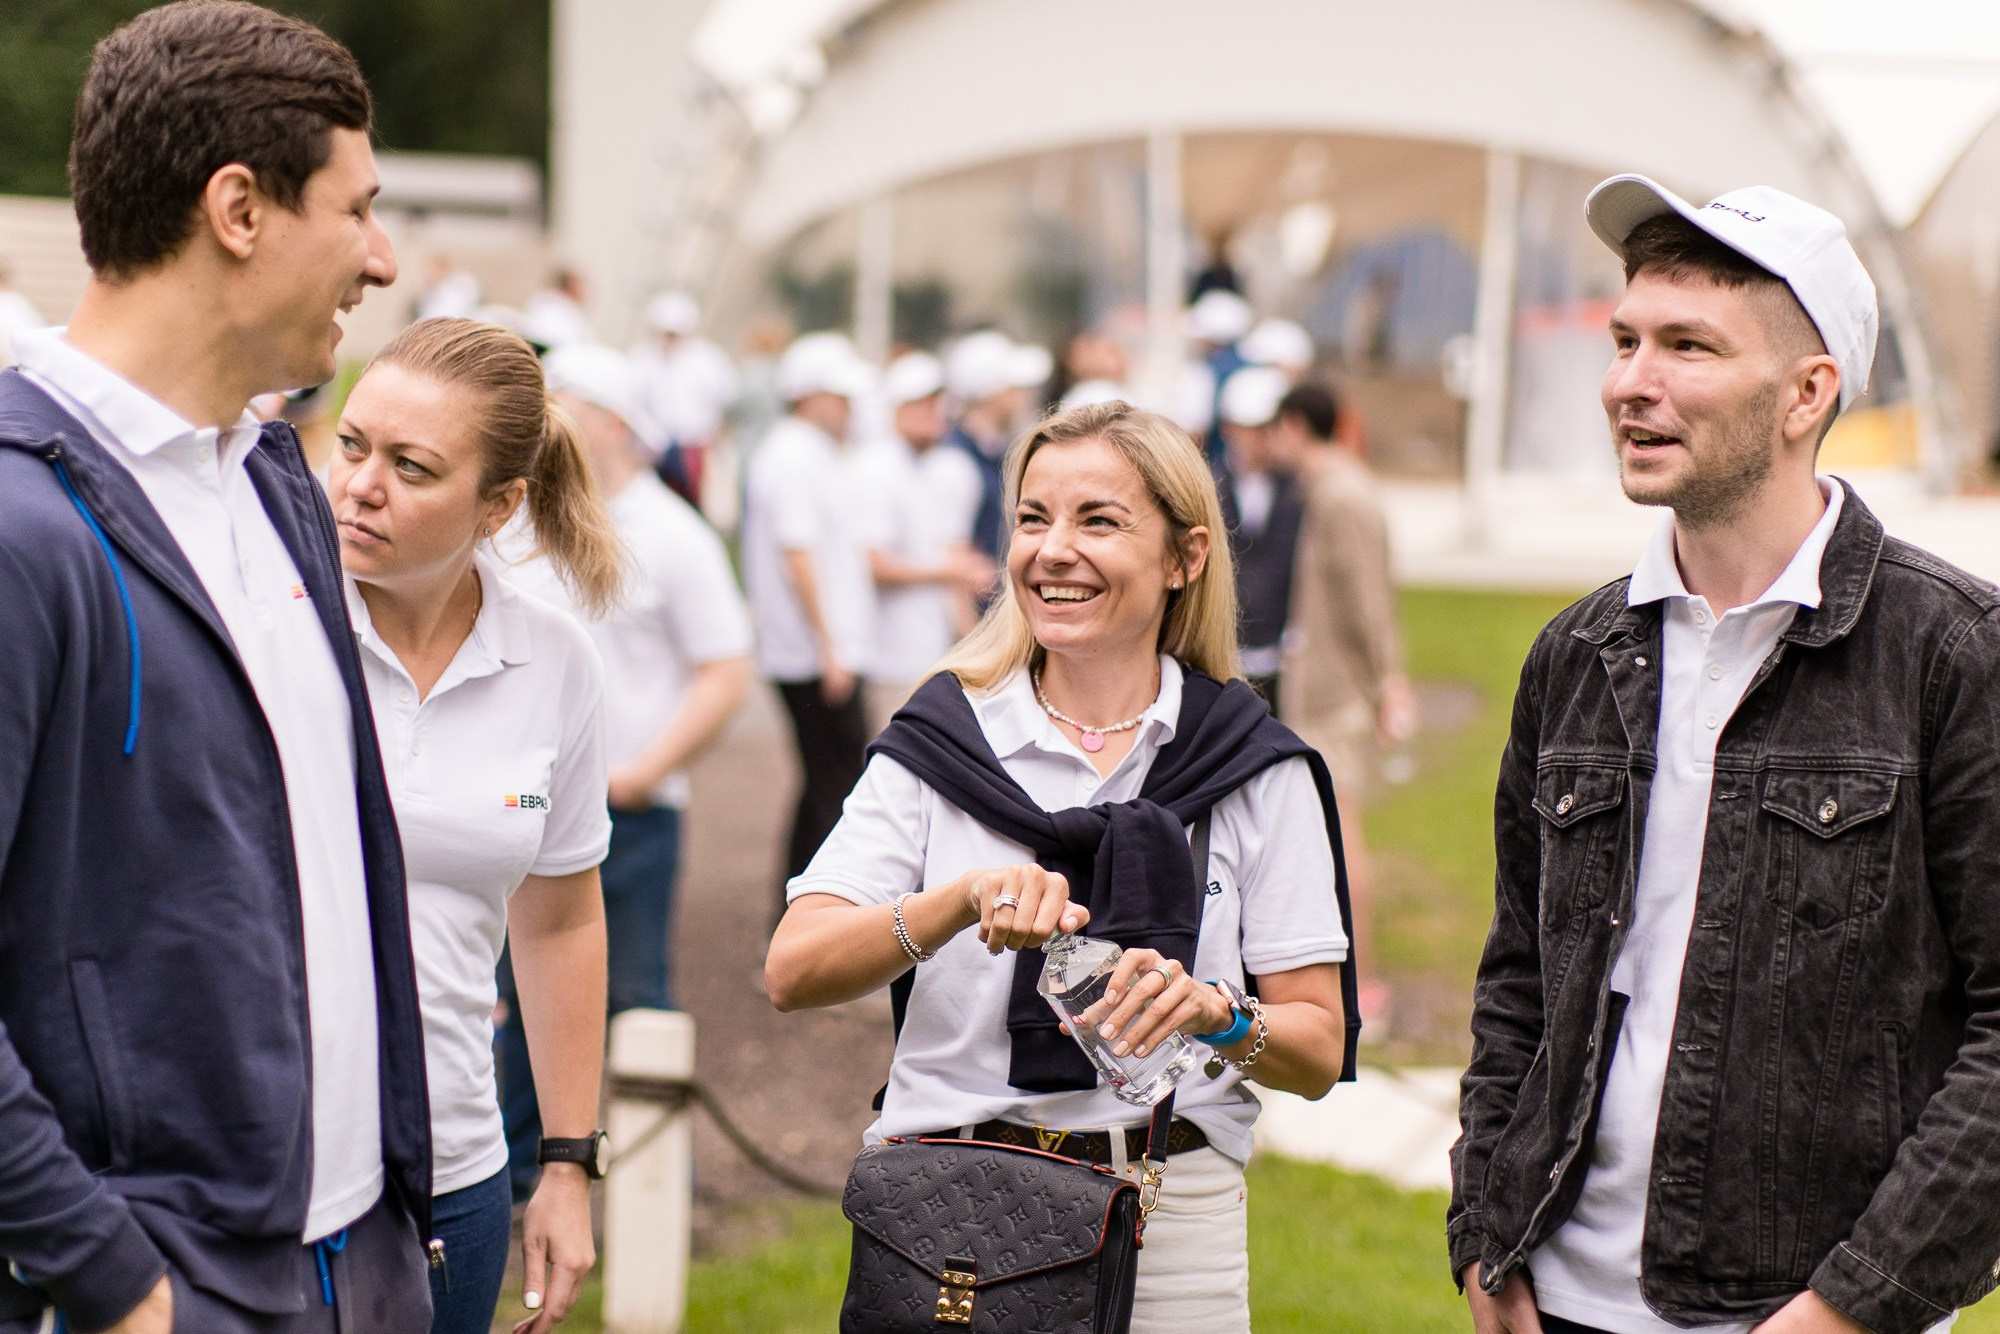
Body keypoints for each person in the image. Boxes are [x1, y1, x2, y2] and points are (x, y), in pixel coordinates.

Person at [1453, 177, 1996, 1334]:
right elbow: (1517, 983)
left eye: (1687, 345)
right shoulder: (1575, 653)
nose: (1628, 382)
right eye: (1625, 339)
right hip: (1556, 1296)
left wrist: (1852, 1304)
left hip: (1799, 1310)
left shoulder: (1950, 652)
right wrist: (1481, 1228)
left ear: (1805, 392)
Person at [0, 4, 431, 1330]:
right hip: (163, 1280)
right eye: (357, 209)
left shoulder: (278, 483)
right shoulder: (23, 525)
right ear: (238, 208)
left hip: (360, 1259)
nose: (383, 259)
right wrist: (113, 1276)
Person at [767, 400, 1358, 1334]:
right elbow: (793, 971)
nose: (1052, 550)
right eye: (1033, 518)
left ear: (1184, 557)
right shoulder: (942, 740)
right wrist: (955, 903)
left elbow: (1318, 1051)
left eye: (1099, 520)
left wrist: (1214, 1012)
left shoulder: (1253, 764)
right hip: (948, 1221)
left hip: (1172, 1223)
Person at [330, 319, 617, 1334]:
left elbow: (561, 918)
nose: (362, 484)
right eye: (352, 443)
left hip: (452, 1174)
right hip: (260, 1171)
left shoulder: (552, 658)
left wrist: (569, 1161)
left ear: (499, 506)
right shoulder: (270, 622)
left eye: (411, 466)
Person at [496, 342, 752, 1198]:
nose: (546, 421)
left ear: (614, 423)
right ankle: (513, 1195)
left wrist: (646, 772)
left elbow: (725, 669)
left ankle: (650, 1203)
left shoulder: (673, 535)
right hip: (521, 809)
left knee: (635, 1000)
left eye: (562, 402)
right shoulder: (519, 519)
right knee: (514, 1008)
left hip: (632, 816)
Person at [1271, 380, 1413, 1026]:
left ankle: (1365, 990)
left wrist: (1390, 687)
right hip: (1320, 694)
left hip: (1338, 702)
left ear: (1296, 428)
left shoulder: (1344, 497)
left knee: (1340, 839)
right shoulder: (1324, 492)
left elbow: (1369, 605)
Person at [743, 331, 878, 901]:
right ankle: (815, 916)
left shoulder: (803, 453)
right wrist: (830, 649)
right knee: (837, 788)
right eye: (839, 396)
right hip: (814, 655)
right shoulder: (794, 457)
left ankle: (797, 909)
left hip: (819, 651)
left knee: (825, 784)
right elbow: (798, 557)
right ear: (810, 395)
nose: (848, 407)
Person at [854, 350, 993, 729]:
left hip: (934, 653)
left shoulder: (940, 467)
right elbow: (874, 563)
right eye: (920, 404)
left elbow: (952, 559)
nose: (933, 413)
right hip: (889, 657)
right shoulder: (876, 468)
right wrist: (953, 570)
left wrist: (973, 643)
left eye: (936, 403)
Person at [1215, 365, 1305, 707]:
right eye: (1249, 428)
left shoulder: (1298, 489)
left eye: (1268, 428)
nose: (1259, 439)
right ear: (1228, 428)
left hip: (1281, 654)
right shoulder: (1210, 486)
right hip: (1226, 655)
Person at [945, 329, 1053, 566]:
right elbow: (956, 563)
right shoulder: (956, 461)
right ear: (992, 394)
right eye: (1013, 388)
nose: (1022, 397)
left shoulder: (991, 450)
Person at [630, 290, 738, 508]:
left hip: (696, 448)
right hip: (654, 448)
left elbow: (727, 405)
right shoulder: (640, 359)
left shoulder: (709, 360)